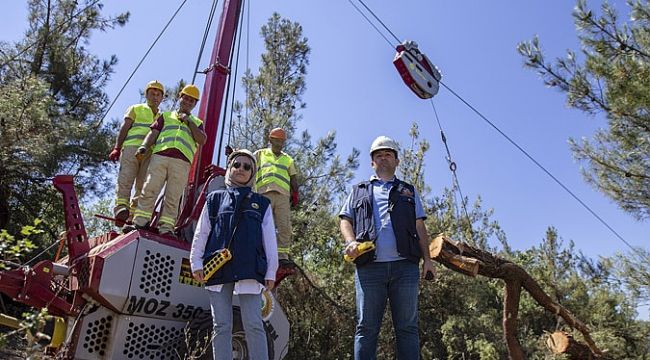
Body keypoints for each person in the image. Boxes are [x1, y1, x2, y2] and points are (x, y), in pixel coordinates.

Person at [339, 135, 436, 360]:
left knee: (407, 328)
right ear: (372, 162)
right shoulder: (359, 190)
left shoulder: (408, 191)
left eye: (388, 154)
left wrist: (428, 260)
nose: (383, 159)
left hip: (405, 268)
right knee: (366, 328)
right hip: (369, 268)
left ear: (397, 161)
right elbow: (345, 219)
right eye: (378, 155)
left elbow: (419, 224)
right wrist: (350, 242)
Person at [190, 149, 278, 360]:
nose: (241, 169)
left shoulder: (262, 203)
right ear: (229, 169)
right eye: (236, 165)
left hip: (249, 269)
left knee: (254, 324)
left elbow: (270, 240)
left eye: (247, 167)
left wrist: (271, 271)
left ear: (252, 173)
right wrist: (196, 262)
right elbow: (202, 231)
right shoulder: (214, 198)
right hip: (218, 267)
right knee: (221, 325)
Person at [127, 84, 207, 235]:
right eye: (186, 98)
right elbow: (153, 133)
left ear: (195, 104)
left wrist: (189, 122)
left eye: (192, 101)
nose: (188, 102)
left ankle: (166, 228)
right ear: (180, 97)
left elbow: (202, 140)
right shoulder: (166, 116)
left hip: (181, 162)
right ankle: (139, 223)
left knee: (173, 196)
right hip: (160, 156)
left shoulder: (197, 123)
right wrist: (143, 146)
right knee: (149, 188)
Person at [108, 80, 164, 226]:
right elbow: (124, 128)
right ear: (146, 94)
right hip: (132, 148)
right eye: (152, 94)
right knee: (126, 178)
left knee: (143, 185)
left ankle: (133, 215)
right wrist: (117, 147)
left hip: (149, 153)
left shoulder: (162, 117)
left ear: (162, 98)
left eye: (158, 95)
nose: (155, 97)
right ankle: (121, 208)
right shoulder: (136, 108)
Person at [254, 128, 298, 268]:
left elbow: (294, 178)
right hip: (263, 194)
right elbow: (247, 162)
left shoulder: (288, 159)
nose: (279, 143)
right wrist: (234, 154)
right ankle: (257, 252)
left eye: (281, 140)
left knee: (284, 226)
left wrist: (295, 193)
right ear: (270, 139)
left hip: (282, 197)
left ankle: (282, 256)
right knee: (260, 224)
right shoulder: (260, 154)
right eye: (276, 139)